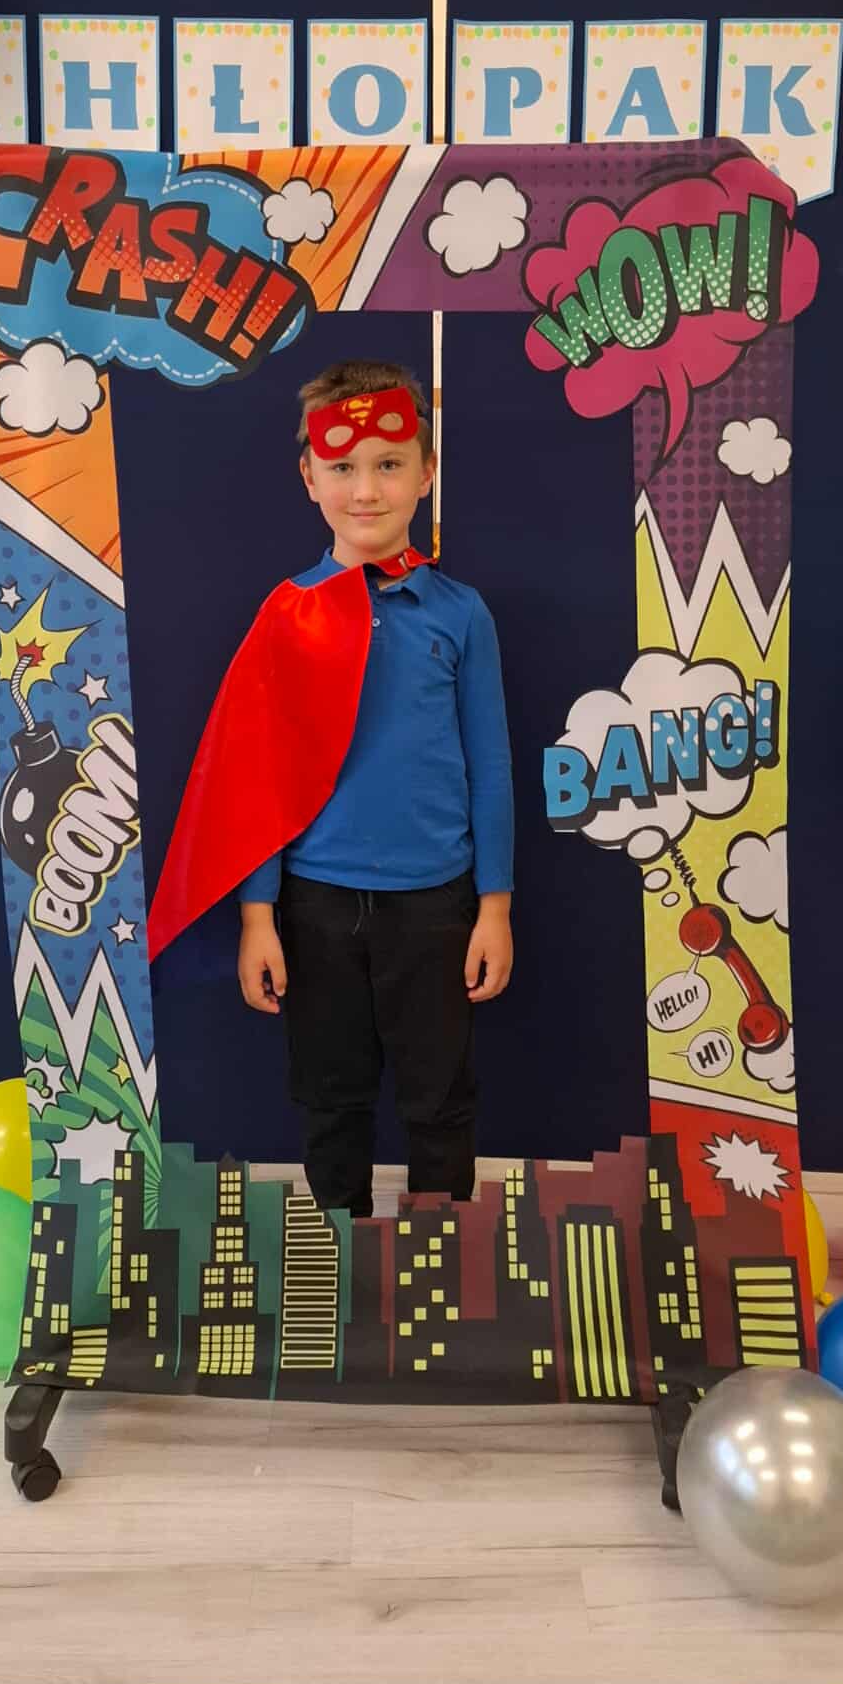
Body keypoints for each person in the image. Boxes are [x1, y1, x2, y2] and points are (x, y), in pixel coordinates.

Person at [147, 361, 514, 1218]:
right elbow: (253, 777)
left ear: (426, 472)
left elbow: (491, 764)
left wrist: (494, 907)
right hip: (315, 905)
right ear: (310, 477)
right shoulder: (287, 615)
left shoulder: (460, 613)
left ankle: (434, 1264)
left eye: (390, 464)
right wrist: (257, 916)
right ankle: (339, 1256)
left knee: (440, 1094)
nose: (367, 489)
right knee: (330, 1095)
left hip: (437, 902)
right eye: (343, 467)